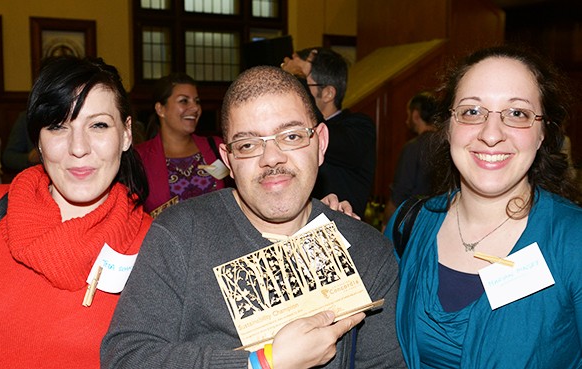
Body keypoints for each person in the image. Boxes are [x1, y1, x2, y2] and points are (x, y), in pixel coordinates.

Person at [101, 66, 405, 368]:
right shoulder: (181, 235)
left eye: (291, 136)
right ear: (228, 160)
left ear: (320, 143)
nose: (272, 158)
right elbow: (127, 357)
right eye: (248, 145)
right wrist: (263, 363)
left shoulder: (368, 252)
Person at [385, 45, 582, 368]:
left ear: (543, 132)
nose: (491, 135)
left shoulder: (574, 242)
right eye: (472, 112)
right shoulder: (408, 225)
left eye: (517, 114)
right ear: (448, 126)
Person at [0, 56, 153, 368]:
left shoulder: (156, 248)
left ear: (126, 133)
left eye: (99, 125)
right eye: (57, 126)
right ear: (38, 138)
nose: (78, 147)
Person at [282, 47, 376, 218]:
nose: (291, 91)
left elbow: (319, 131)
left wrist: (297, 77)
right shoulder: (291, 132)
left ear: (328, 93)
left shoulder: (359, 127)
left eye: (302, 84)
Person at [136, 73, 229, 215]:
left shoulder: (216, 147)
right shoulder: (140, 158)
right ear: (160, 109)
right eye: (184, 101)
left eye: (197, 101)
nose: (195, 108)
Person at [383, 91, 438, 227]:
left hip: (414, 224)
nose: (406, 121)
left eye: (408, 115)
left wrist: (385, 224)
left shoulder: (413, 148)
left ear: (415, 115)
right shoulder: (447, 145)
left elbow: (399, 194)